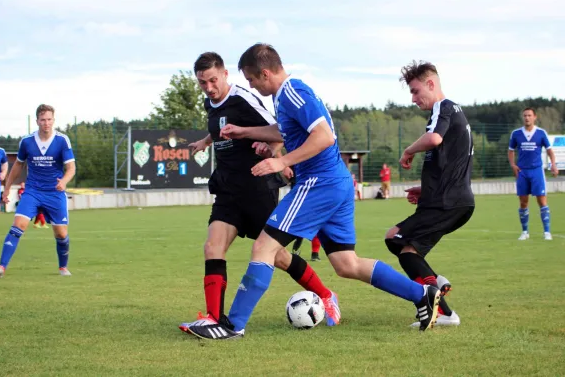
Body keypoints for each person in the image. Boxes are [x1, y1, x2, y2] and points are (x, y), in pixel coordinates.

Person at [186, 43, 441, 340]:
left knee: (264, 248)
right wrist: (244, 132)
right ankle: (422, 294)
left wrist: (281, 160)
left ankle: (233, 325)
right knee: (347, 264)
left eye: (252, 79)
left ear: (265, 73)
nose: (251, 85)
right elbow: (285, 131)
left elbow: (324, 136)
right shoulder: (285, 97)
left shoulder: (294, 91)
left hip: (318, 182)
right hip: (336, 183)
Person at [179, 52, 338, 332]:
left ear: (226, 74)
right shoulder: (210, 103)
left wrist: (276, 155)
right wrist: (205, 141)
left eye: (213, 80)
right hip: (228, 188)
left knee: (277, 256)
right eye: (202, 83)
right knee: (212, 246)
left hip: (257, 188)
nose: (209, 88)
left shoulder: (244, 99)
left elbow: (280, 132)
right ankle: (214, 319)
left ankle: (325, 295)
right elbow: (219, 128)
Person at [384, 60, 476, 328]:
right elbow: (453, 161)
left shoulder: (443, 107)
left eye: (415, 91)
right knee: (408, 250)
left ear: (431, 84)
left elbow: (434, 139)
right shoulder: (455, 112)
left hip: (447, 203)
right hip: (450, 200)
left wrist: (408, 150)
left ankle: (434, 285)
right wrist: (426, 190)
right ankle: (445, 312)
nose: (413, 98)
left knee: (394, 238)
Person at [0, 104, 76, 278]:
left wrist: (64, 181)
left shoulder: (62, 140)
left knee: (61, 233)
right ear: (37, 121)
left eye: (49, 119)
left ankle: (63, 267)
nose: (46, 123)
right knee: (18, 225)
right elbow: (18, 165)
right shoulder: (27, 141)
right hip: (33, 191)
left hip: (54, 193)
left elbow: (71, 168)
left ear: (54, 120)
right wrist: (6, 188)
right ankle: (1, 267)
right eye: (43, 119)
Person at [508, 108, 558, 241]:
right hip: (522, 172)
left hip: (537, 171)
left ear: (535, 117)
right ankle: (525, 232)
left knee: (542, 201)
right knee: (523, 202)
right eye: (525, 115)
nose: (527, 118)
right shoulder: (516, 134)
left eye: (529, 115)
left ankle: (547, 232)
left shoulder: (541, 133)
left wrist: (553, 164)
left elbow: (550, 151)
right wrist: (513, 165)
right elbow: (511, 151)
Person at [288, 166, 321, 261]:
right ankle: (296, 251)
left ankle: (314, 253)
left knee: (315, 227)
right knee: (300, 228)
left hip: (313, 198)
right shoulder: (296, 166)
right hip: (300, 199)